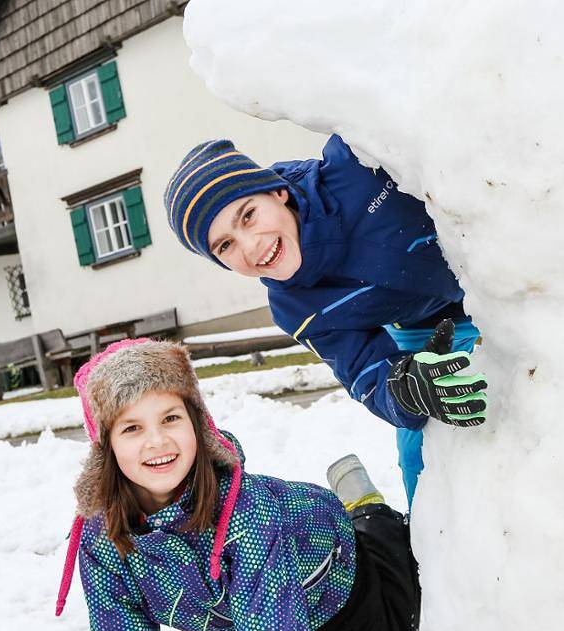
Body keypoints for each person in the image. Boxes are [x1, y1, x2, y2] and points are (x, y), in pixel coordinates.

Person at [53, 338, 421, 631]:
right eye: (131, 428)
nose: (157, 440)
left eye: (170, 418)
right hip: (259, 621)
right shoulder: (102, 540)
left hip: (333, 577)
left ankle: (369, 512)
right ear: (107, 447)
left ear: (197, 424)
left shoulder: (246, 515)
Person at [164, 137, 489, 510]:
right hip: (433, 327)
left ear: (277, 192)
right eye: (225, 246)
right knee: (422, 458)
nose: (251, 247)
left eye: (248, 215)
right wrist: (404, 389)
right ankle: (439, 556)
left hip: (505, 274)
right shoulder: (295, 307)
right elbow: (364, 371)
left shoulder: (356, 162)